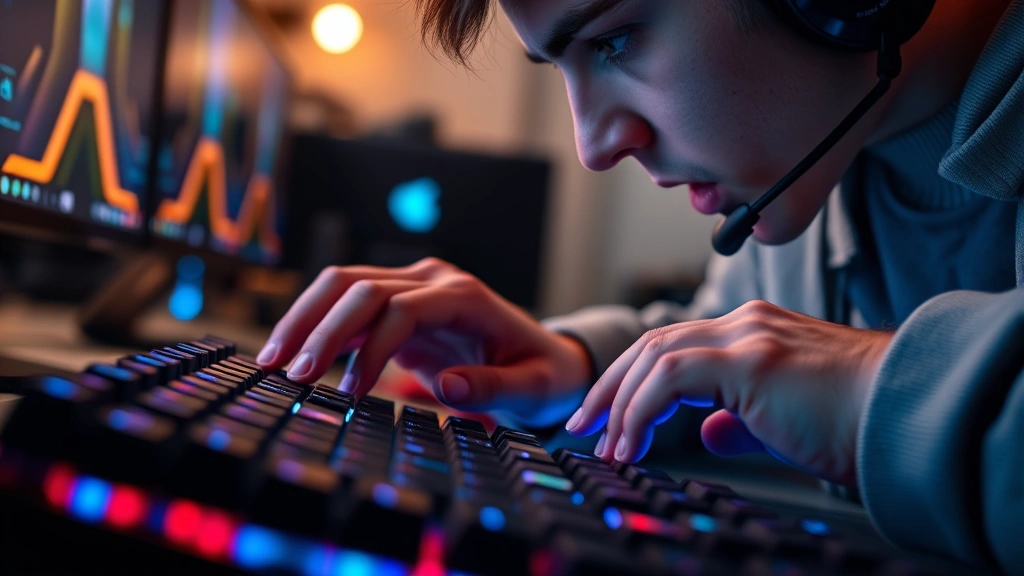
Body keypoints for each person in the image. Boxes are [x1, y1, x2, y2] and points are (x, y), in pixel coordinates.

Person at [257, 0, 1024, 571]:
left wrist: (873, 390)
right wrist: (572, 369)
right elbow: (738, 344)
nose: (593, 146)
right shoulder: (821, 165)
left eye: (614, 40)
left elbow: (813, 366)